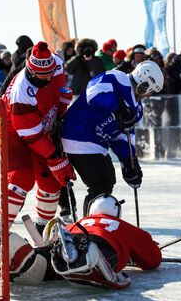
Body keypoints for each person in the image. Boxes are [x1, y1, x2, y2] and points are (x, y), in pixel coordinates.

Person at [0, 193, 161, 289]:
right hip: (102, 245)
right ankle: (86, 258)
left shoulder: (80, 222)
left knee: (38, 267)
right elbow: (152, 260)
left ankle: (0, 243)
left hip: (67, 239)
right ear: (116, 214)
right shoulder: (121, 227)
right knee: (82, 256)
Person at [0, 41, 75, 234]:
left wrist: (61, 105)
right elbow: (32, 137)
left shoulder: (58, 66)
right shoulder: (23, 92)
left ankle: (42, 229)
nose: (46, 80)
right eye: (40, 76)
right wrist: (55, 158)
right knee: (22, 178)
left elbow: (53, 101)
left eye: (49, 75)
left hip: (39, 126)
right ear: (30, 69)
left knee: (52, 183)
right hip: (12, 129)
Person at [61, 60, 164, 214]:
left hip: (95, 142)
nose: (149, 95)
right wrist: (119, 109)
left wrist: (130, 162)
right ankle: (87, 228)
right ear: (144, 83)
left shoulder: (137, 108)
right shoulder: (117, 78)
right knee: (101, 184)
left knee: (108, 181)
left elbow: (122, 136)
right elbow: (93, 94)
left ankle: (94, 224)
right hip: (78, 135)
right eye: (150, 90)